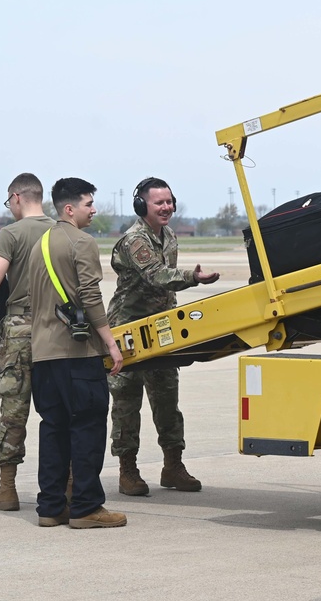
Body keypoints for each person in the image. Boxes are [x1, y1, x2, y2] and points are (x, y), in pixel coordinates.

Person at [108, 177, 219, 496]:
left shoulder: (169, 235)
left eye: (169, 201)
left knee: (167, 398)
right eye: (159, 202)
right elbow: (157, 276)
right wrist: (192, 278)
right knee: (127, 403)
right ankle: (127, 470)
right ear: (143, 206)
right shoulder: (135, 239)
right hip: (128, 329)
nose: (167, 207)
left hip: (160, 329)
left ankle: (173, 466)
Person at [27, 177, 126, 528]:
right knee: (87, 427)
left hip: (43, 356)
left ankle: (51, 507)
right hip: (77, 354)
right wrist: (111, 343)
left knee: (53, 429)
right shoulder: (81, 242)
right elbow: (90, 295)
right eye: (88, 204)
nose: (94, 209)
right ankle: (86, 507)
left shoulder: (39, 245)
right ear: (70, 209)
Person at [0, 173, 55, 512]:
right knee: (58, 410)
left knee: (14, 411)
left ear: (17, 197)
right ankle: (71, 486)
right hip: (57, 329)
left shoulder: (11, 233)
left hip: (20, 329)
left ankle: (7, 489)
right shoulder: (61, 230)